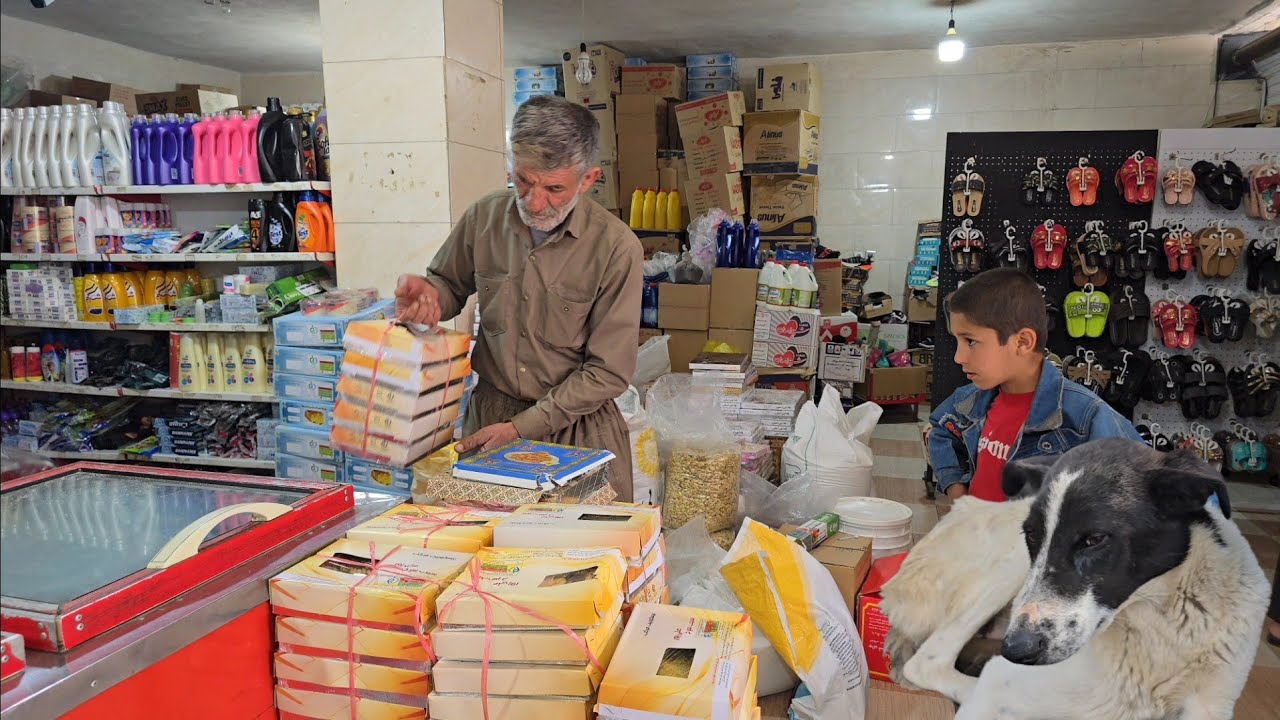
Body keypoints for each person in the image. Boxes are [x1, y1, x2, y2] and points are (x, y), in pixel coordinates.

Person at [395, 96, 643, 500]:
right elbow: (448, 285)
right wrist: (429, 298)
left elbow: (608, 373)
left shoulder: (616, 248)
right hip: (491, 417)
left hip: (576, 431)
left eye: (555, 189)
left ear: (588, 180)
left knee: (579, 556)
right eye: (523, 181)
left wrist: (522, 430)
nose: (534, 202)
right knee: (488, 548)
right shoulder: (485, 218)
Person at [927, 268, 1143, 501]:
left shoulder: (1085, 416)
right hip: (980, 534)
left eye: (971, 341)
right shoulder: (970, 399)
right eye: (957, 341)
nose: (958, 357)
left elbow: (1144, 487)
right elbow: (942, 430)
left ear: (1023, 342)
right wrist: (958, 493)